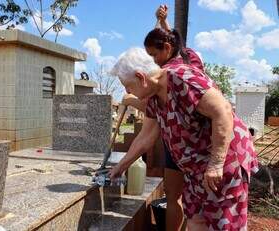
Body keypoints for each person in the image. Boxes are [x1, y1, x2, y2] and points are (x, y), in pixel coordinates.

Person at [109, 46, 258, 230]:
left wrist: (216, 163)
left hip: (225, 159)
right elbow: (145, 137)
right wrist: (120, 167)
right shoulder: (154, 97)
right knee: (196, 220)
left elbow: (223, 110)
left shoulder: (182, 78)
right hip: (194, 167)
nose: (127, 91)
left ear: (141, 77)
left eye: (128, 86)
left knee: (224, 223)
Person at [121, 5, 203, 231]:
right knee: (173, 193)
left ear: (168, 49)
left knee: (201, 204)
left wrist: (164, 23)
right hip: (174, 144)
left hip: (199, 145)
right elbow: (151, 110)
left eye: (155, 55)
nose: (154, 61)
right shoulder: (155, 84)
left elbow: (177, 47)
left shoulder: (186, 67)